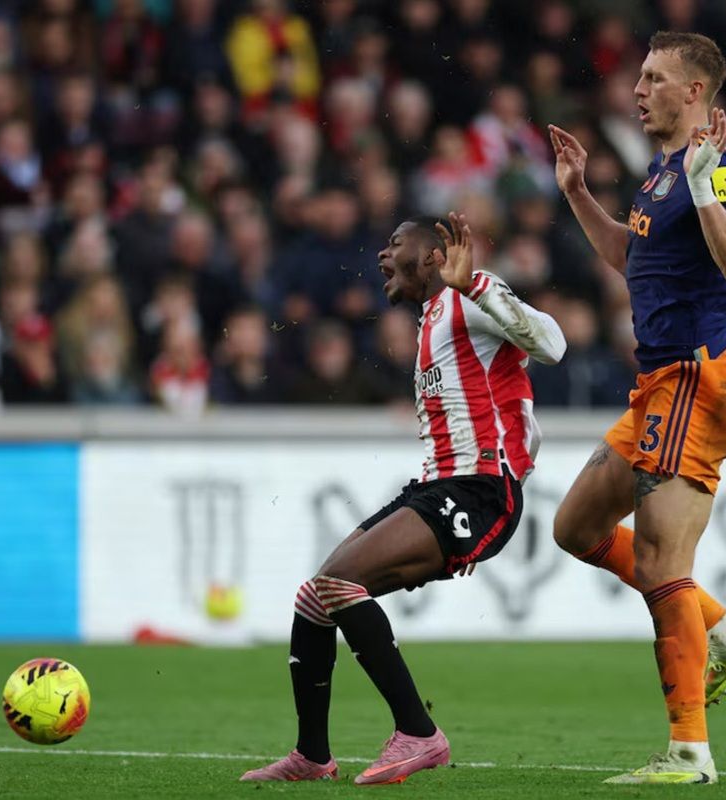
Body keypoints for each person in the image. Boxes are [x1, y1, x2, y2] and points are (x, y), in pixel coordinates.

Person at [240, 213, 565, 785]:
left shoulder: (469, 296)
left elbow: (554, 345)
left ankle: (418, 732)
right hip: (440, 486)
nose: (382, 256)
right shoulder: (431, 318)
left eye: (395, 244)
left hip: (479, 488)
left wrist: (476, 284)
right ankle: (312, 755)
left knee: (340, 584)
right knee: (316, 595)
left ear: (435, 255)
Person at [548, 32, 726, 785]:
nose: (638, 90)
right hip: (655, 388)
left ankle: (690, 753)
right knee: (575, 526)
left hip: (694, 380)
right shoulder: (661, 173)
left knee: (660, 563)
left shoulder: (720, 169)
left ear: (694, 92)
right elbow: (629, 256)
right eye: (640, 77)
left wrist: (706, 189)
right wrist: (577, 191)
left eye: (653, 78)